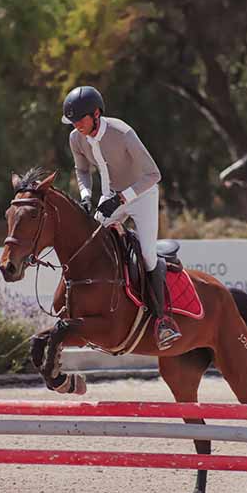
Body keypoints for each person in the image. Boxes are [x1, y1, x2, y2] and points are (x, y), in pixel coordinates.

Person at [62, 85, 181, 350]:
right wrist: (85, 196)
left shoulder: (123, 133)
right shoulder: (76, 138)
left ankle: (163, 321)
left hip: (142, 195)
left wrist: (120, 199)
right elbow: (82, 171)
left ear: (96, 114)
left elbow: (153, 175)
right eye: (72, 121)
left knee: (148, 255)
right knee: (88, 244)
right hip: (109, 198)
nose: (77, 125)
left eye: (80, 119)